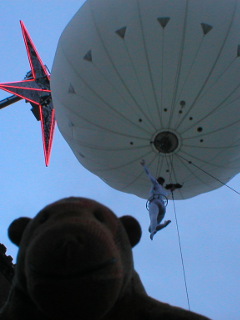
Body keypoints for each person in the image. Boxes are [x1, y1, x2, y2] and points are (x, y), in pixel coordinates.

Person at [140, 160, 171, 240]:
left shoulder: (156, 184)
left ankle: (154, 231)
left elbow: (149, 175)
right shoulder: (164, 191)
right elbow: (170, 191)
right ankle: (163, 225)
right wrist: (174, 187)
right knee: (150, 228)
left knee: (153, 217)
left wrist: (144, 166)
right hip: (162, 207)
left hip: (155, 202)